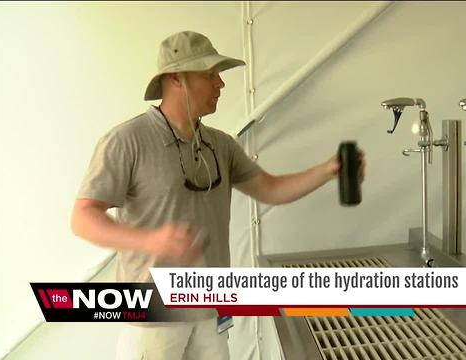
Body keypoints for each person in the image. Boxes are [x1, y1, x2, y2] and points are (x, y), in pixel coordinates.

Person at [70, 30, 365, 360]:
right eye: (210, 75)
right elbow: (83, 218)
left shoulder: (219, 144)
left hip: (211, 308)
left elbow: (270, 189)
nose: (220, 84)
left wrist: (329, 170)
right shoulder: (127, 140)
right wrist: (150, 240)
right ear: (176, 79)